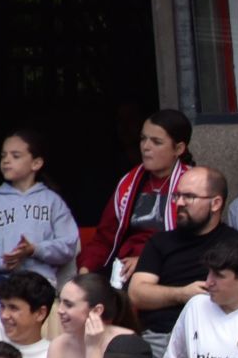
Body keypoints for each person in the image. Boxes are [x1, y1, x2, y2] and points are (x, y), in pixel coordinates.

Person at [126, 166, 238, 357]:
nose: (179, 202)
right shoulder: (159, 242)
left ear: (215, 203)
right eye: (177, 195)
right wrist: (182, 294)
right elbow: (136, 293)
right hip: (162, 337)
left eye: (189, 196)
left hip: (220, 337)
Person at [76, 108, 191, 283]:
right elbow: (104, 239)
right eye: (143, 139)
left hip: (172, 271)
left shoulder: (193, 185)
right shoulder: (129, 183)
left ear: (179, 148)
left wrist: (147, 262)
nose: (146, 147)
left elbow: (195, 243)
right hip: (123, 272)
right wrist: (85, 272)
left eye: (156, 142)